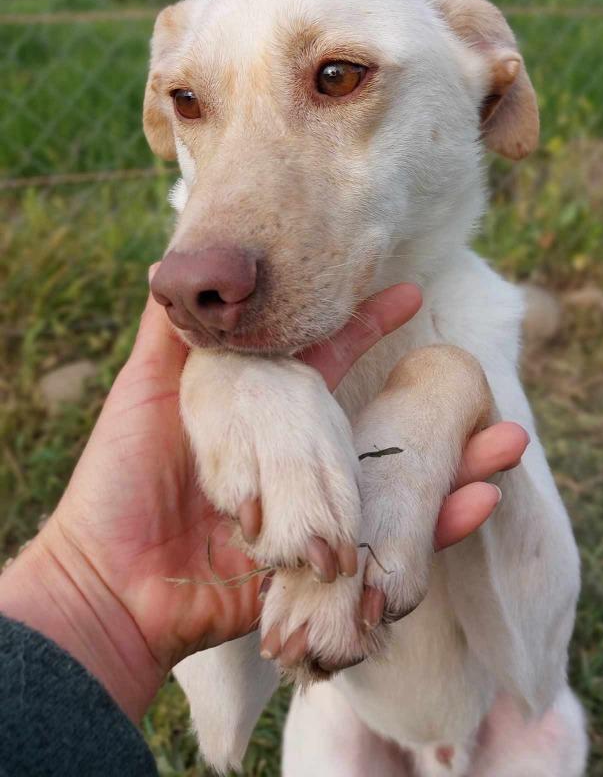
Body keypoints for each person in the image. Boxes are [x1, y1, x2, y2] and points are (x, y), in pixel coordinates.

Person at [0, 277, 529, 776]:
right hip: (348, 721)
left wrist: (89, 589)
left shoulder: (475, 300)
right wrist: (222, 379)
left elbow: (542, 597)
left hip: (511, 713)